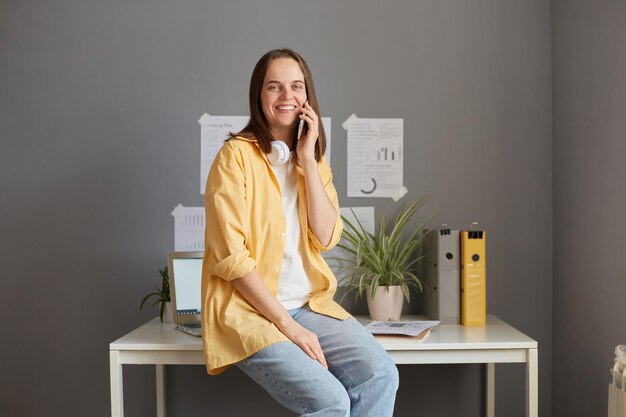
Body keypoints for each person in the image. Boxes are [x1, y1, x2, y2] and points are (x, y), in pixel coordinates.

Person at [202, 48, 399, 417]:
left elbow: (325, 237)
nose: (286, 96)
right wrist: (288, 326)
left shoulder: (314, 160)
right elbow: (231, 256)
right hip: (252, 313)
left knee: (381, 374)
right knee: (332, 401)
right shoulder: (234, 157)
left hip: (308, 306)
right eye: (274, 87)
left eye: (296, 86)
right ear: (258, 97)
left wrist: (307, 159)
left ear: (308, 96)